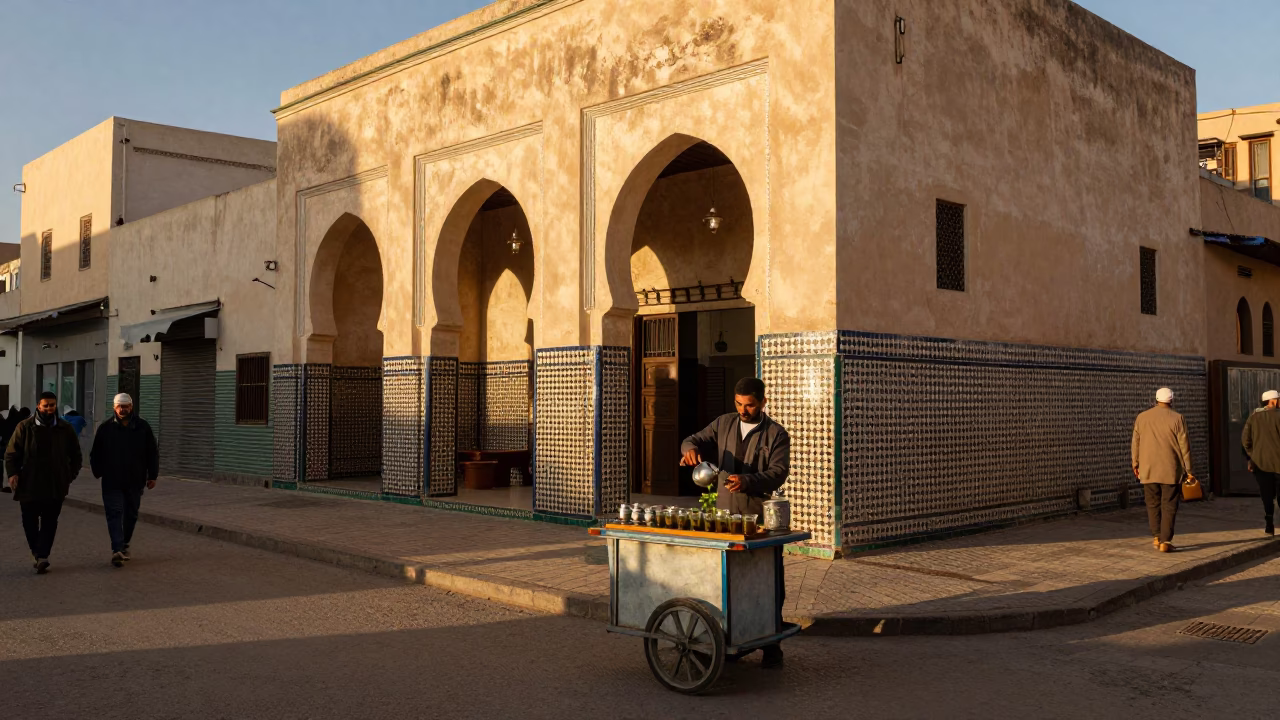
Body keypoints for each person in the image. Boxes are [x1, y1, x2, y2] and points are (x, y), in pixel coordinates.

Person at [680, 376, 791, 667]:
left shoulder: (776, 434)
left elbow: (779, 472)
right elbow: (693, 439)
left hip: (758, 521)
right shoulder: (723, 423)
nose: (744, 411)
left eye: (750, 406)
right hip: (724, 518)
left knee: (768, 582)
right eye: (739, 405)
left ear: (763, 403)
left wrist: (748, 480)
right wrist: (688, 449)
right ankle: (727, 641)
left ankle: (771, 644)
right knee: (724, 582)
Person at [5, 391, 83, 573]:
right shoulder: (24, 427)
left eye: (52, 405)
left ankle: (43, 555)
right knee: (29, 521)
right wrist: (13, 474)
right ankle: (36, 551)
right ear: (38, 406)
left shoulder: (65, 428)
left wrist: (68, 476)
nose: (49, 408)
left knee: (50, 521)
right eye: (45, 405)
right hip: (29, 482)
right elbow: (11, 454)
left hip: (55, 484)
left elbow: (76, 455)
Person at [90, 393, 158, 568]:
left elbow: (152, 451)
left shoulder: (142, 427)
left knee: (131, 514)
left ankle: (124, 543)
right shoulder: (106, 428)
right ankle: (117, 549)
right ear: (114, 407)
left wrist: (153, 475)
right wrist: (98, 471)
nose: (123, 409)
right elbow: (96, 452)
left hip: (135, 480)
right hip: (112, 480)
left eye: (126, 406)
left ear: (131, 406)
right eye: (120, 406)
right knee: (114, 513)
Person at [1131, 387, 1195, 553]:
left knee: (1152, 504)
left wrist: (1135, 463)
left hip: (1148, 469)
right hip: (1171, 470)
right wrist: (1189, 469)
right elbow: (1184, 446)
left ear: (1156, 399)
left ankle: (1156, 536)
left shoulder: (1142, 417)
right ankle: (1165, 541)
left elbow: (1135, 442)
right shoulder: (1178, 418)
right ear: (1171, 400)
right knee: (1169, 505)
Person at [1242, 389, 1280, 536]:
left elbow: (1245, 441)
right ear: (1273, 401)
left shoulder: (1253, 417)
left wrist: (1253, 456)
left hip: (1261, 465)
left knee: (1267, 495)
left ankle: (1269, 524)